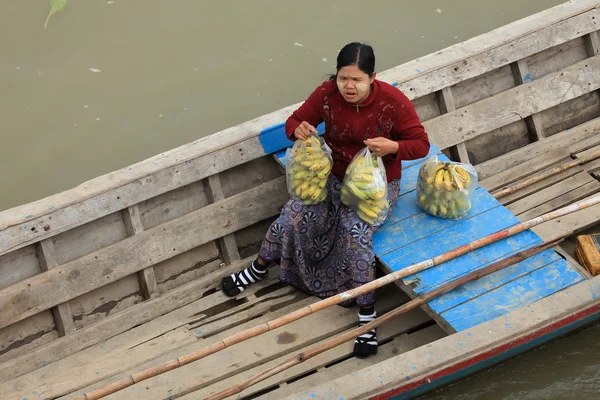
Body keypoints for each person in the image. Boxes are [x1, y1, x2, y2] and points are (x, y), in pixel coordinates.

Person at [222, 42, 430, 358]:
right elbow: (294, 123)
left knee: (355, 232)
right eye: (343, 78)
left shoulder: (393, 103)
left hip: (375, 184)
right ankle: (259, 267)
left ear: (373, 77)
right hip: (332, 175)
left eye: (357, 80)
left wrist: (393, 147)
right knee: (293, 214)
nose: (349, 86)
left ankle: (367, 315)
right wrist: (299, 130)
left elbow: (421, 144)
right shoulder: (327, 95)